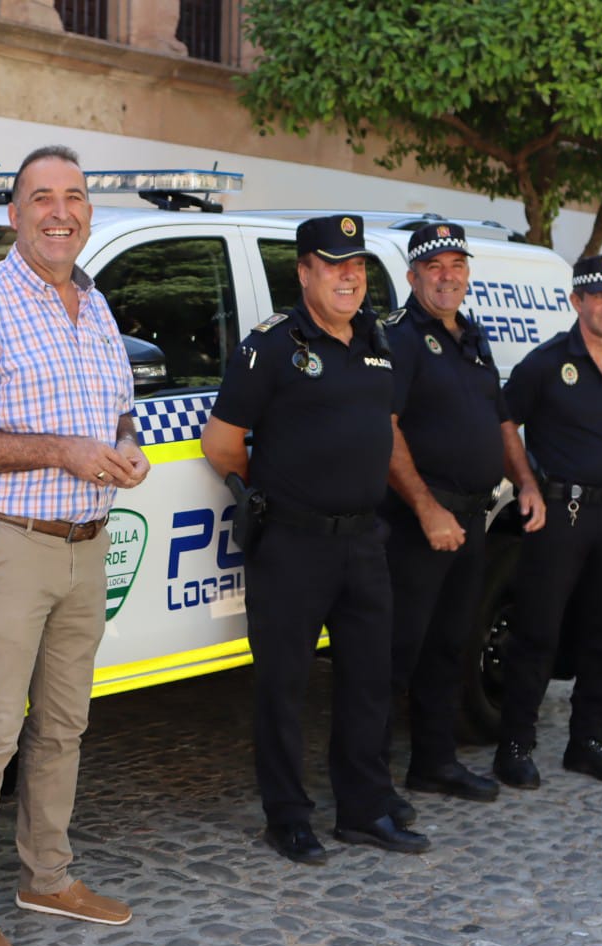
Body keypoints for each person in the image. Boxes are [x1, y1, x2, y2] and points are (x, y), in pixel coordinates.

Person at [0, 145, 150, 946]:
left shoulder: (95, 303)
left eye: (75, 197)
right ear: (14, 216)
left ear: (89, 213)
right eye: (42, 197)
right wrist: (58, 450)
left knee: (63, 726)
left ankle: (47, 878)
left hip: (86, 545)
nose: (61, 211)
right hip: (8, 545)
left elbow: (118, 415)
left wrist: (128, 454)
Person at [201, 214, 431, 866]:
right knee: (283, 685)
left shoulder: (378, 340)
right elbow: (220, 443)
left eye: (356, 265)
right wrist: (262, 503)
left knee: (368, 681)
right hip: (292, 546)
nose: (349, 276)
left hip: (363, 541)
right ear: (303, 270)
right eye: (334, 264)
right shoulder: (271, 346)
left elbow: (384, 429)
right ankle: (289, 817)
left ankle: (364, 808)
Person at [381, 223, 545, 803]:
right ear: (413, 276)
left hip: (473, 517)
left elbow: (501, 419)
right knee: (396, 654)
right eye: (435, 267)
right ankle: (371, 787)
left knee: (451, 645)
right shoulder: (397, 338)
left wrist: (525, 481)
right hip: (418, 522)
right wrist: (427, 510)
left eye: (456, 265)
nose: (447, 276)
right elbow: (387, 429)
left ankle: (434, 763)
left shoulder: (472, 336)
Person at [492, 253, 602, 789]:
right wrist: (527, 484)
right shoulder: (544, 364)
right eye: (601, 295)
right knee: (537, 630)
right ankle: (514, 746)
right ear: (576, 301)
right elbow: (504, 422)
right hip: (561, 515)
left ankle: (588, 742)